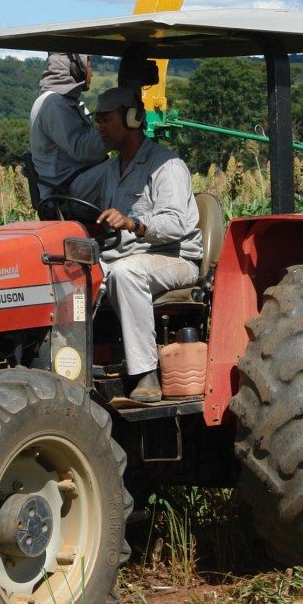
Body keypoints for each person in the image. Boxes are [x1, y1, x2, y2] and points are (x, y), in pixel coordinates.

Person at [71, 85, 201, 403]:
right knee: (71, 274)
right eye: (97, 120)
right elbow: (75, 193)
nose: (99, 127)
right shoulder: (110, 169)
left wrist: (134, 223)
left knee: (126, 273)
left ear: (132, 118)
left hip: (173, 258)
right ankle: (75, 367)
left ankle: (146, 374)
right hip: (125, 256)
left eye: (105, 120)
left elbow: (175, 226)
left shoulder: (167, 167)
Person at [27, 52, 106, 200]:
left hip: (76, 183)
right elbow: (82, 150)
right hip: (66, 190)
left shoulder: (68, 103)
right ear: (77, 68)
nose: (92, 74)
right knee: (126, 170)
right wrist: (116, 132)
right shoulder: (53, 103)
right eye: (90, 65)